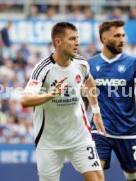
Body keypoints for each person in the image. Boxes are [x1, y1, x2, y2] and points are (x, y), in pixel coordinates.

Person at [21, 22, 106, 181]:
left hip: (79, 136)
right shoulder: (43, 69)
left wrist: (96, 112)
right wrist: (49, 95)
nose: (77, 43)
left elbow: (90, 83)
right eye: (72, 39)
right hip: (49, 141)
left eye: (77, 38)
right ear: (58, 42)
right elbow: (25, 100)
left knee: (97, 178)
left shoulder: (81, 63)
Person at [88, 20, 136, 181]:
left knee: (132, 177)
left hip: (127, 132)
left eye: (123, 35)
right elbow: (86, 97)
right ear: (104, 39)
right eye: (117, 36)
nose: (122, 39)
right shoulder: (90, 65)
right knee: (94, 172)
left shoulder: (132, 63)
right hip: (100, 130)